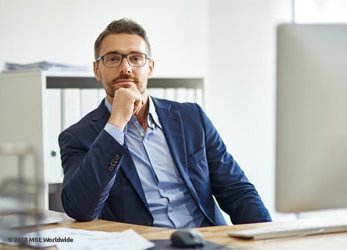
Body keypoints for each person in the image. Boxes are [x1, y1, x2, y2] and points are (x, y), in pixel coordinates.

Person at [58, 18, 271, 228]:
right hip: (146, 243)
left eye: (136, 58)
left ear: (150, 68)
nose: (126, 68)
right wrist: (116, 123)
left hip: (207, 241)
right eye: (113, 59)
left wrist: (267, 237)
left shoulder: (192, 118)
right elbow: (80, 208)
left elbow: (236, 189)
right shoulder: (78, 137)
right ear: (97, 70)